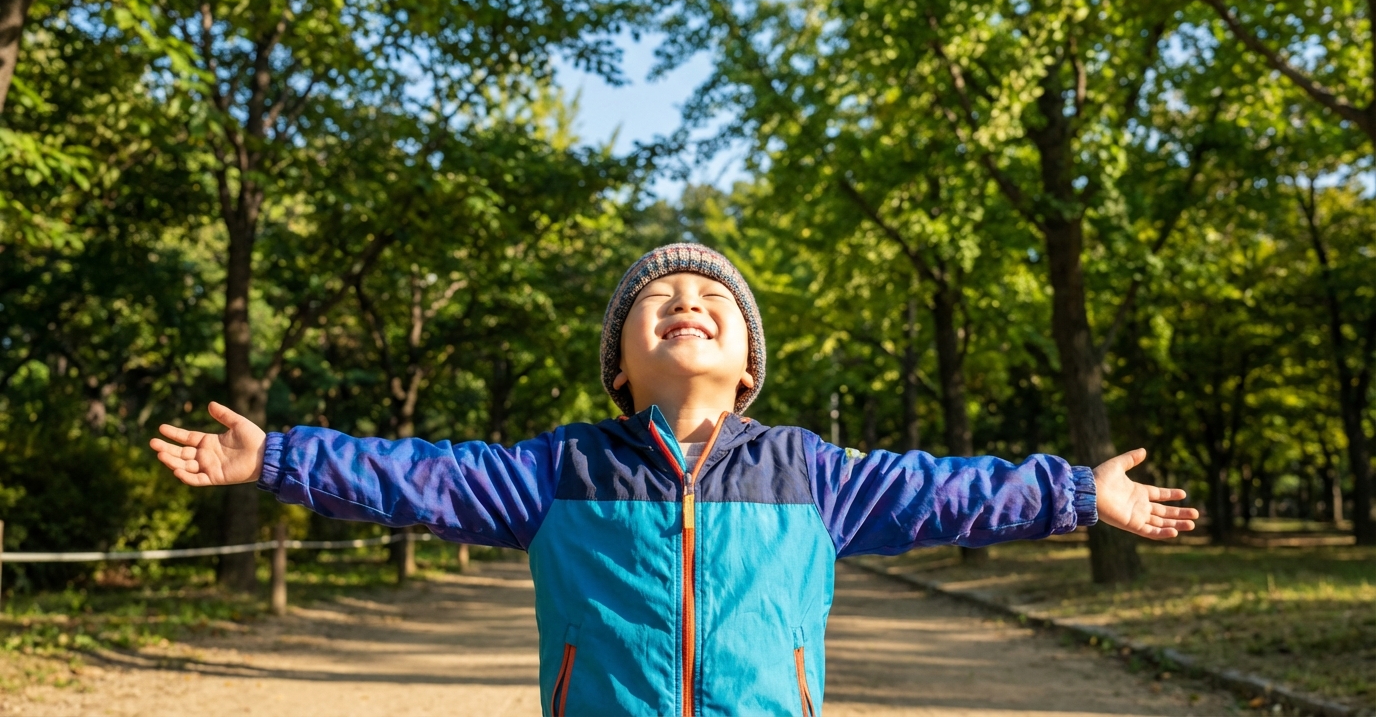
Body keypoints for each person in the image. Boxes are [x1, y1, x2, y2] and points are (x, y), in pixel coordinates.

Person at [151, 243, 1197, 717]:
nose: (685, 300)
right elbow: (414, 474)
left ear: (747, 366)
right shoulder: (555, 471)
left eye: (710, 296)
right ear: (619, 366)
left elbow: (945, 490)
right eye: (658, 297)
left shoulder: (810, 474)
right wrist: (277, 455)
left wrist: (1075, 493)